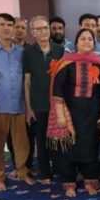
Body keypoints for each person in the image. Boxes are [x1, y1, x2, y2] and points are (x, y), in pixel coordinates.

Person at [48, 28, 100, 197]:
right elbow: (57, 91)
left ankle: (90, 181)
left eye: (90, 39)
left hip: (92, 115)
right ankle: (69, 184)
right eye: (83, 39)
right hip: (69, 114)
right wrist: (61, 116)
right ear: (76, 42)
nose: (86, 42)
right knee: (68, 148)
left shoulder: (99, 63)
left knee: (90, 148)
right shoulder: (66, 62)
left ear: (94, 42)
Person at [0, 13, 35, 191]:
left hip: (19, 105)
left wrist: (28, 106)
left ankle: (22, 172)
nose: (6, 28)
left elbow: (26, 80)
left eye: (10, 25)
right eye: (2, 24)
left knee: (22, 144)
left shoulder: (21, 51)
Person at [23, 15, 64, 183]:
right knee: (41, 140)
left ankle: (61, 170)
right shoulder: (28, 53)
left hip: (57, 104)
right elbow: (27, 82)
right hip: (37, 104)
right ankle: (45, 173)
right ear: (32, 32)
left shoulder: (59, 50)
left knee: (57, 139)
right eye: (39, 29)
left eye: (46, 27)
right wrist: (28, 108)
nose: (44, 31)